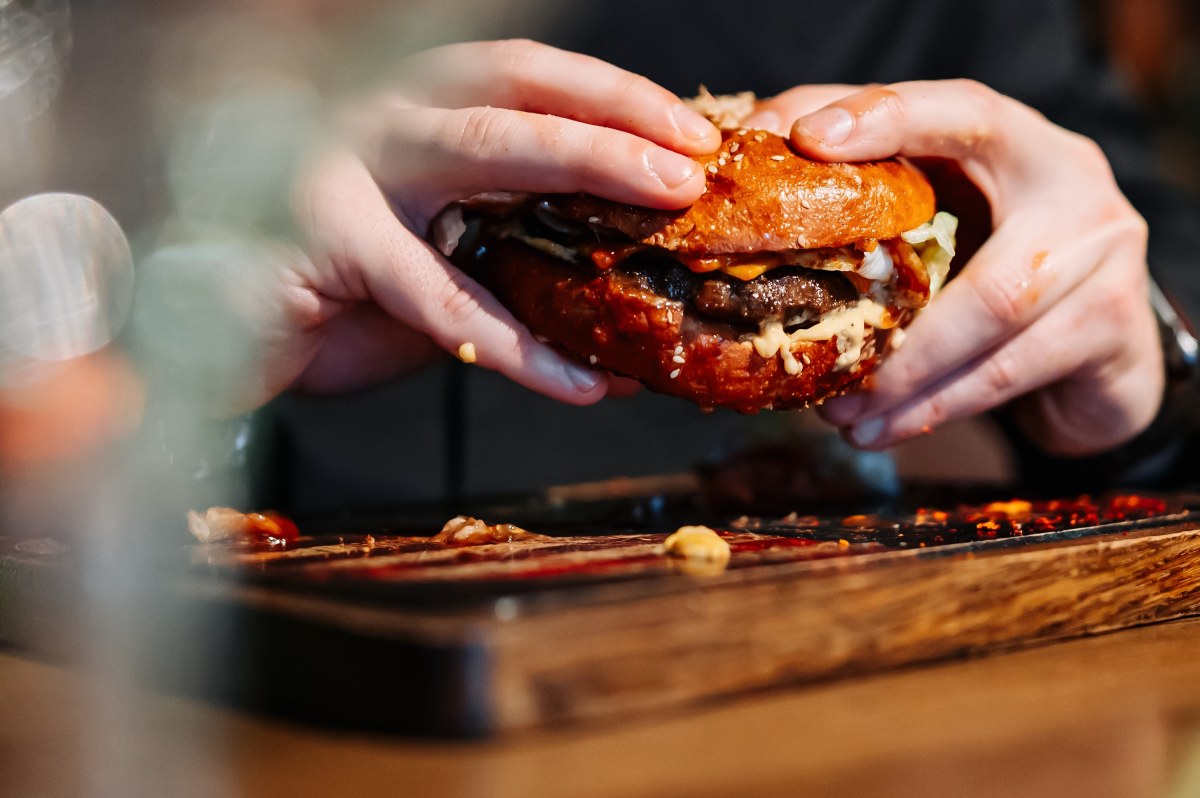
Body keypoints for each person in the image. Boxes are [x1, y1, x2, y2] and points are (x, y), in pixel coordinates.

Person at [129, 0, 1200, 505]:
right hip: (282, 631)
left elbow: (1145, 244)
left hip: (839, 658)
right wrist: (166, 356)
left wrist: (1147, 371)